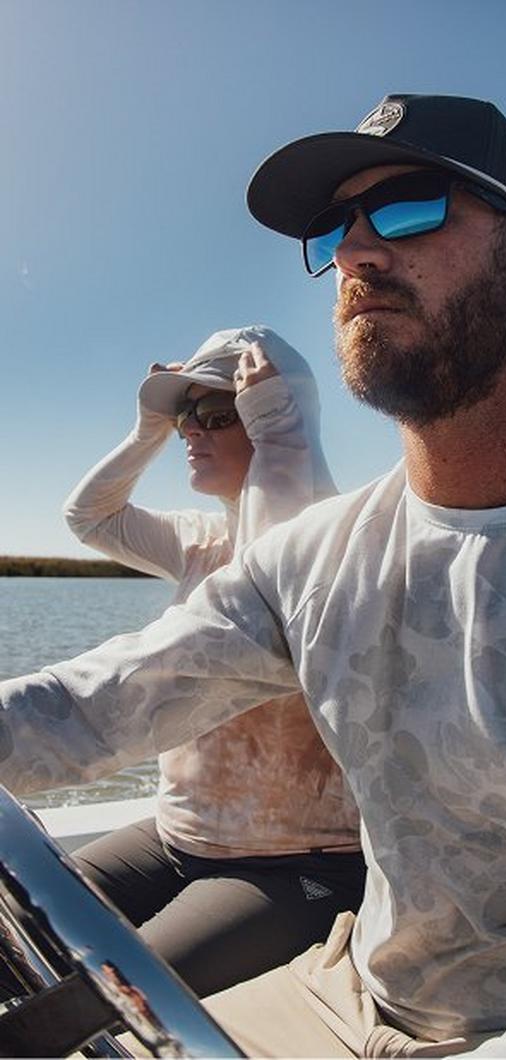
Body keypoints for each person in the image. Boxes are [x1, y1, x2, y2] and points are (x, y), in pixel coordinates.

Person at [1, 94, 506, 1057]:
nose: (356, 252)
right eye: (338, 228)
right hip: (346, 990)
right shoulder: (312, 557)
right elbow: (94, 706)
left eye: (412, 208)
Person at [61, 324, 365, 998]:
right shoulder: (201, 536)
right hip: (177, 834)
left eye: (220, 414)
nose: (191, 433)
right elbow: (90, 518)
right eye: (185, 418)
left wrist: (285, 438)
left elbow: (273, 594)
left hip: (293, 864)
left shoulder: (347, 538)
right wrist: (147, 430)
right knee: (17, 934)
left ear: (277, 416)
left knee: (104, 1001)